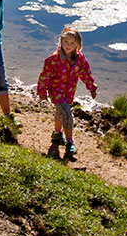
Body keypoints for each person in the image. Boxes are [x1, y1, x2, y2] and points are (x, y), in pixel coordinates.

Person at [37, 26, 97, 157]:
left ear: (78, 45)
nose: (68, 45)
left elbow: (86, 73)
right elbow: (44, 76)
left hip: (69, 91)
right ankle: (70, 143)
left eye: (72, 43)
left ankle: (57, 134)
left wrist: (91, 87)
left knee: (60, 113)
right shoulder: (53, 59)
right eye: (66, 42)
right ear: (61, 42)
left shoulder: (79, 59)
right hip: (55, 90)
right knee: (68, 115)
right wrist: (42, 91)